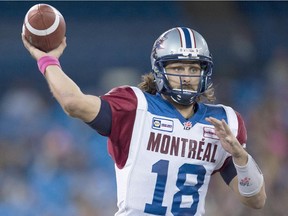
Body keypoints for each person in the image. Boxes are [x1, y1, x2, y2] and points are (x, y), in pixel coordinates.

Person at [22, 27, 266, 216]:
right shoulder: (134, 107)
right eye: (179, 68)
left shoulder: (223, 122)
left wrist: (241, 158)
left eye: (194, 69)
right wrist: (47, 61)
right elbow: (73, 102)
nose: (187, 77)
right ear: (160, 70)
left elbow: (256, 200)